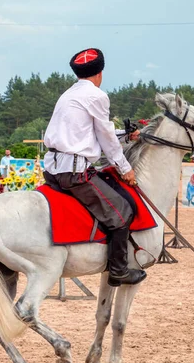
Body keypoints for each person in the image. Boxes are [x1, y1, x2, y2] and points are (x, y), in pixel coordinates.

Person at [42, 48, 144, 287]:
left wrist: (125, 135)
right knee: (122, 212)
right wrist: (125, 168)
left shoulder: (68, 94)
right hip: (75, 173)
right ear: (100, 73)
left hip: (54, 170)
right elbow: (105, 138)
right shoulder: (97, 96)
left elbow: (90, 134)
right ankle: (118, 270)